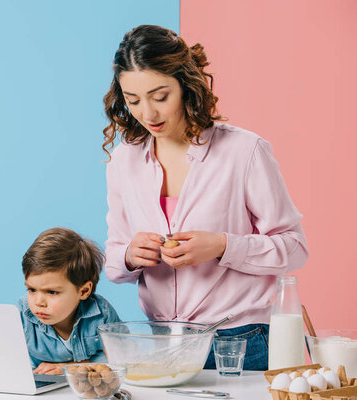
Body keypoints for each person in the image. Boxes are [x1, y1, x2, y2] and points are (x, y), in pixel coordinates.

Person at [102, 25, 308, 370]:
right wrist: (130, 254)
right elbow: (113, 262)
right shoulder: (125, 159)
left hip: (242, 341)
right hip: (163, 342)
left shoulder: (244, 151)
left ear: (185, 85)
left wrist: (222, 246)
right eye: (133, 100)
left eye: (160, 96)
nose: (148, 114)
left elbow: (294, 247)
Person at [17, 227, 121, 375]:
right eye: (32, 290)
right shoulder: (22, 314)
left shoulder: (101, 314)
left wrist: (69, 368)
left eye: (52, 292)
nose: (39, 302)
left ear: (84, 291)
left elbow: (123, 357)